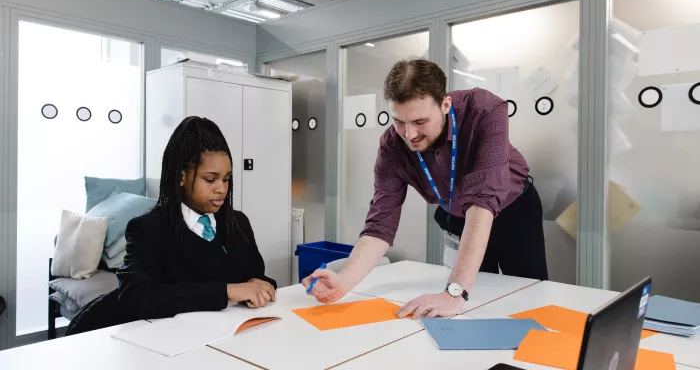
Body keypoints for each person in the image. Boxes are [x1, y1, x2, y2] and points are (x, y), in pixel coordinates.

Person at [302, 59, 547, 319]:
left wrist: (454, 292)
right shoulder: (391, 146)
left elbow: (483, 200)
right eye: (399, 122)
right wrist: (343, 281)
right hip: (459, 215)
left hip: (513, 211)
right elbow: (380, 223)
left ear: (445, 104)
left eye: (420, 121)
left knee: (526, 298)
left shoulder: (485, 111)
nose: (410, 134)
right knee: (472, 308)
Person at [66, 116, 275, 334]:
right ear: (181, 177)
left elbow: (255, 276)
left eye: (226, 179)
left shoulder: (238, 223)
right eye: (210, 179)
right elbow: (136, 297)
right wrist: (227, 291)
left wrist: (261, 284)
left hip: (220, 337)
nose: (221, 189)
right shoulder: (148, 228)